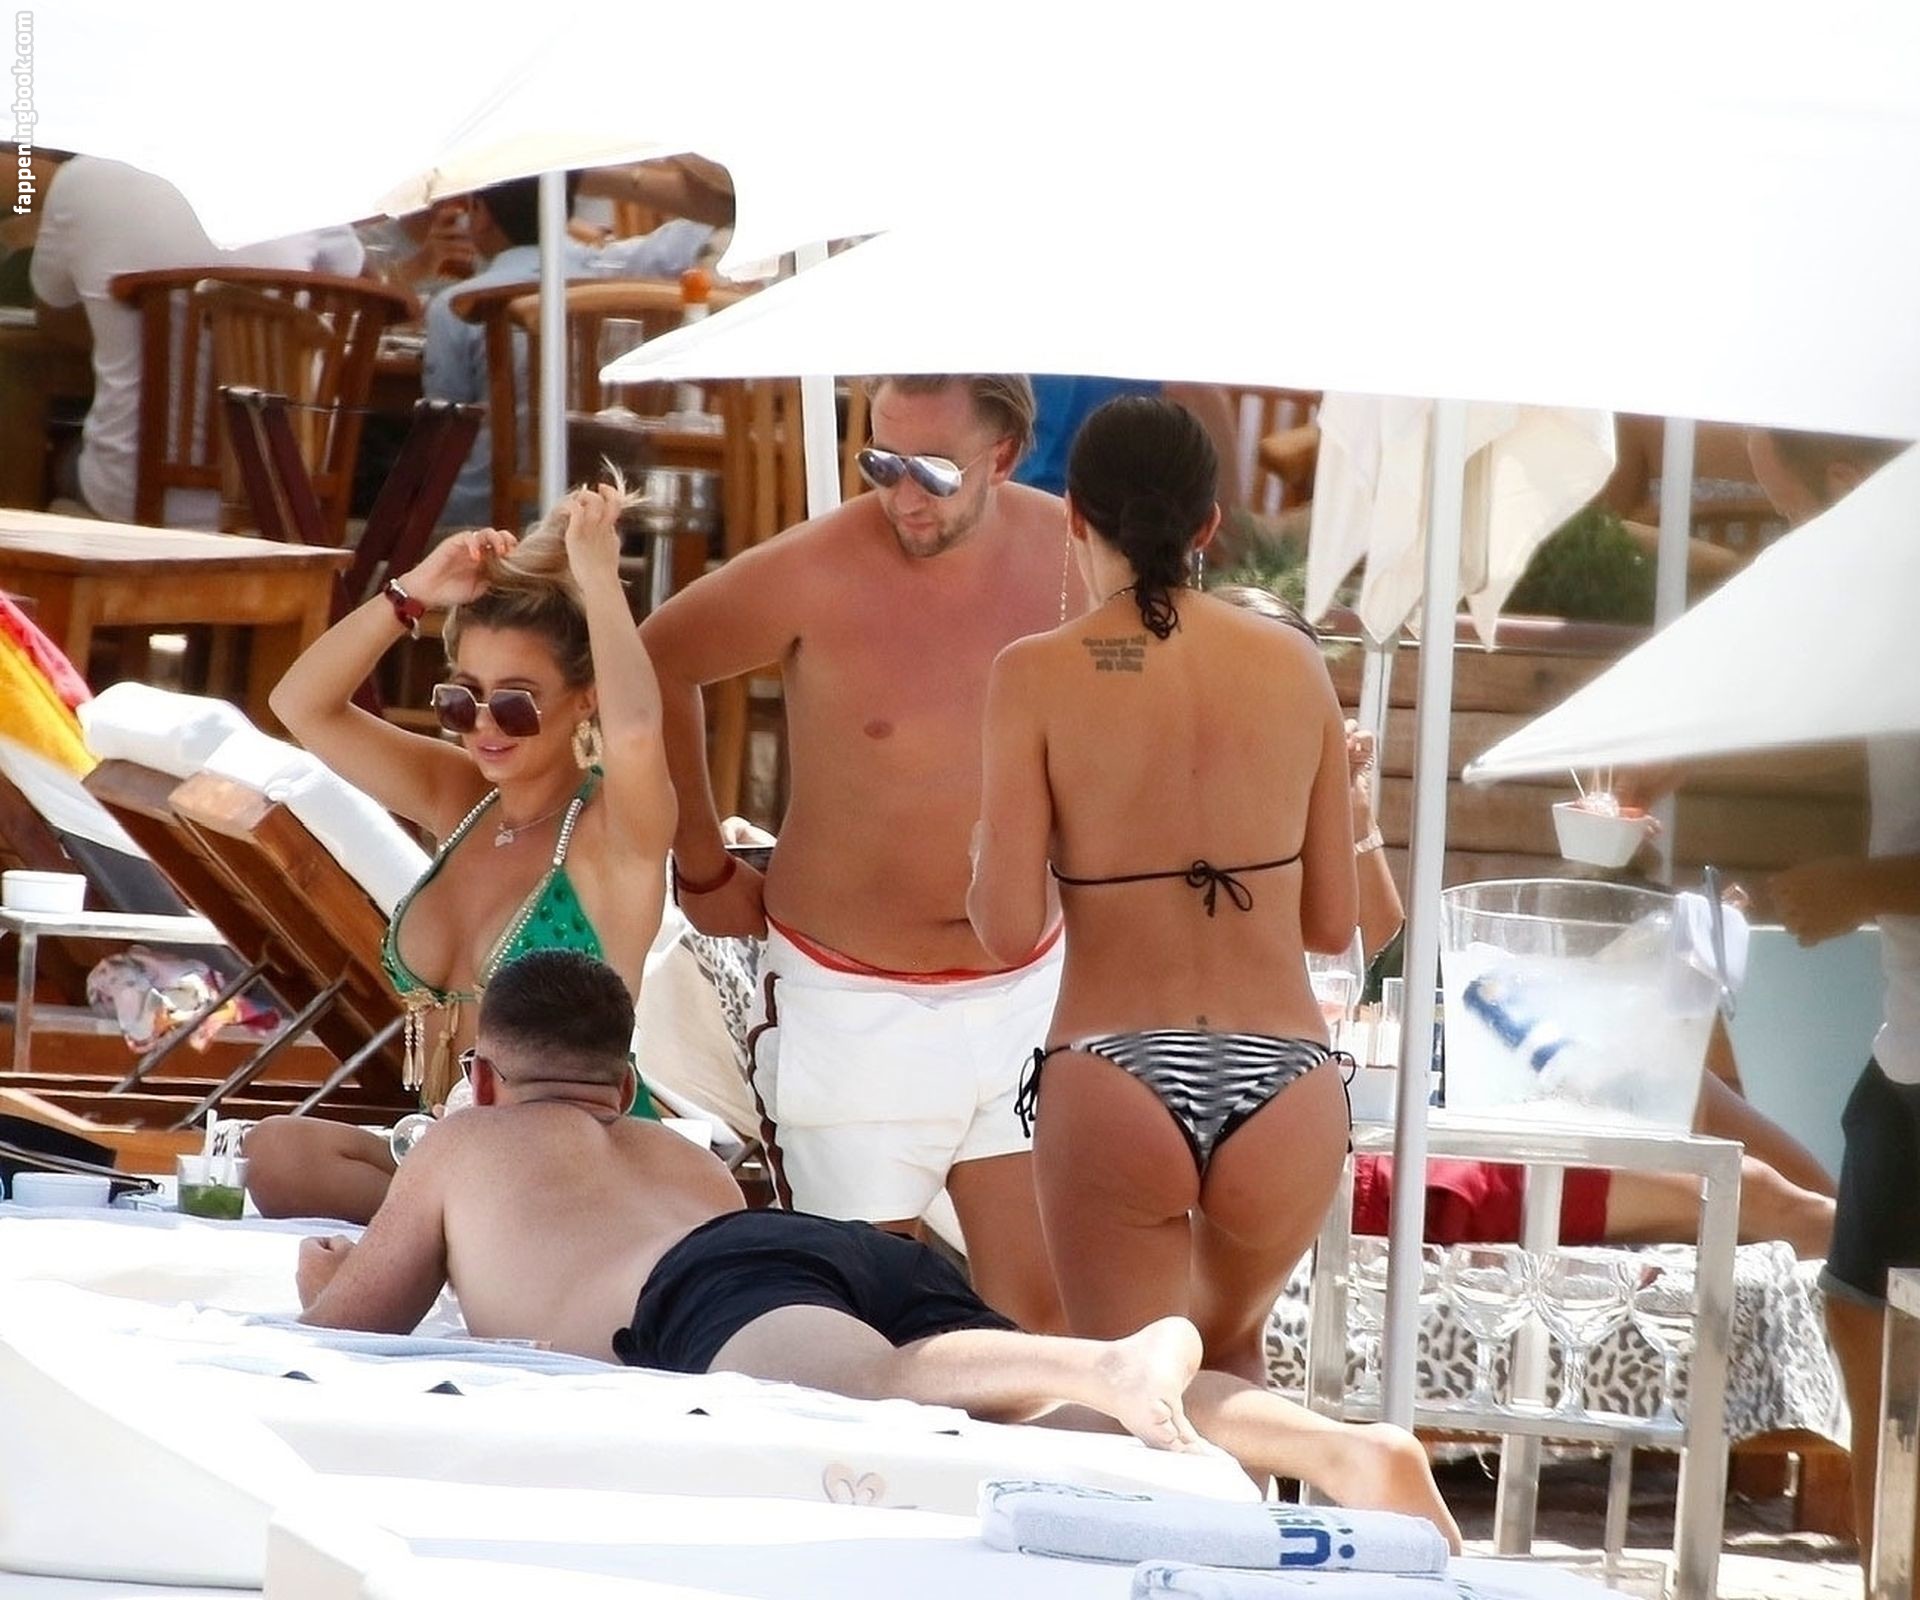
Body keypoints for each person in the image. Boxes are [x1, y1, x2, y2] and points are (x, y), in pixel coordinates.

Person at [296, 948, 1462, 1548]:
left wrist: (322, 1278)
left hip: (702, 1288)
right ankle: (1333, 1444)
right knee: (1017, 1402)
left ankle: (1105, 1360)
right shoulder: (678, 1155)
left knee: (883, 1384)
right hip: (807, 1248)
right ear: (625, 1077)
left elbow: (350, 1326)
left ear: (483, 1075)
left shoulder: (469, 1137)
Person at [1215, 582, 1838, 1260]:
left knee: (1698, 1104)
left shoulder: (1287, 805)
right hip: (1358, 1152)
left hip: (1413, 1108)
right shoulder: (1203, 837)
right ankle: (1863, 1261)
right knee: (1762, 1193)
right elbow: (1343, 989)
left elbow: (1401, 976)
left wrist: (1355, 822)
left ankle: (1861, 1255)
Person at [636, 374, 1073, 1334]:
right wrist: (700, 862)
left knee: (1042, 1320)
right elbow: (657, 659)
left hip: (1026, 987)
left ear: (1003, 456)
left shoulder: (1074, 557)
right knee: (856, 1319)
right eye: (880, 462)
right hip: (850, 995)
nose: (902, 495)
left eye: (933, 470)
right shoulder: (817, 569)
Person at [967, 396, 1357, 1383]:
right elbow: (1331, 924)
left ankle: (1354, 1459)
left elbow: (1006, 929)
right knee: (1232, 1369)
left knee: (1127, 1395)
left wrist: (997, 851)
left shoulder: (1036, 673)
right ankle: (1307, 1473)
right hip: (1286, 1075)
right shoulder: (1294, 661)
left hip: (1116, 1072)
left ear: (1072, 514)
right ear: (1209, 524)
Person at [244, 483, 674, 1222]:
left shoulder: (614, 831)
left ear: (586, 698)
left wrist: (600, 579)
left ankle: (443, 1233)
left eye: (514, 702)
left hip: (572, 1161)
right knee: (276, 1153)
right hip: (451, 1152)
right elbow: (301, 705)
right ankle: (448, 1232)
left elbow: (636, 735)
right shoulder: (462, 798)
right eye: (461, 700)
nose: (483, 727)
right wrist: (412, 592)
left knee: (463, 1194)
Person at [1742, 426, 1916, 1558]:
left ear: (1849, 489)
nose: (1789, 535)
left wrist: (1857, 886)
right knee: (1859, 1315)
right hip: (1904, 1051)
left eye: (1790, 509)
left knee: (1878, 1332)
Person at [28, 154, 365, 526]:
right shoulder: (310, 178)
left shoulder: (82, 175)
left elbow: (52, 314)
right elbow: (350, 288)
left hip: (126, 498)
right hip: (286, 504)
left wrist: (137, 338)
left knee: (57, 457)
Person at [422, 173, 716, 531]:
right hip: (617, 506)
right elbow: (703, 227)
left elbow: (442, 433)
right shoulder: (617, 283)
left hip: (485, 513)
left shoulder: (455, 306)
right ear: (566, 210)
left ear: (480, 214)